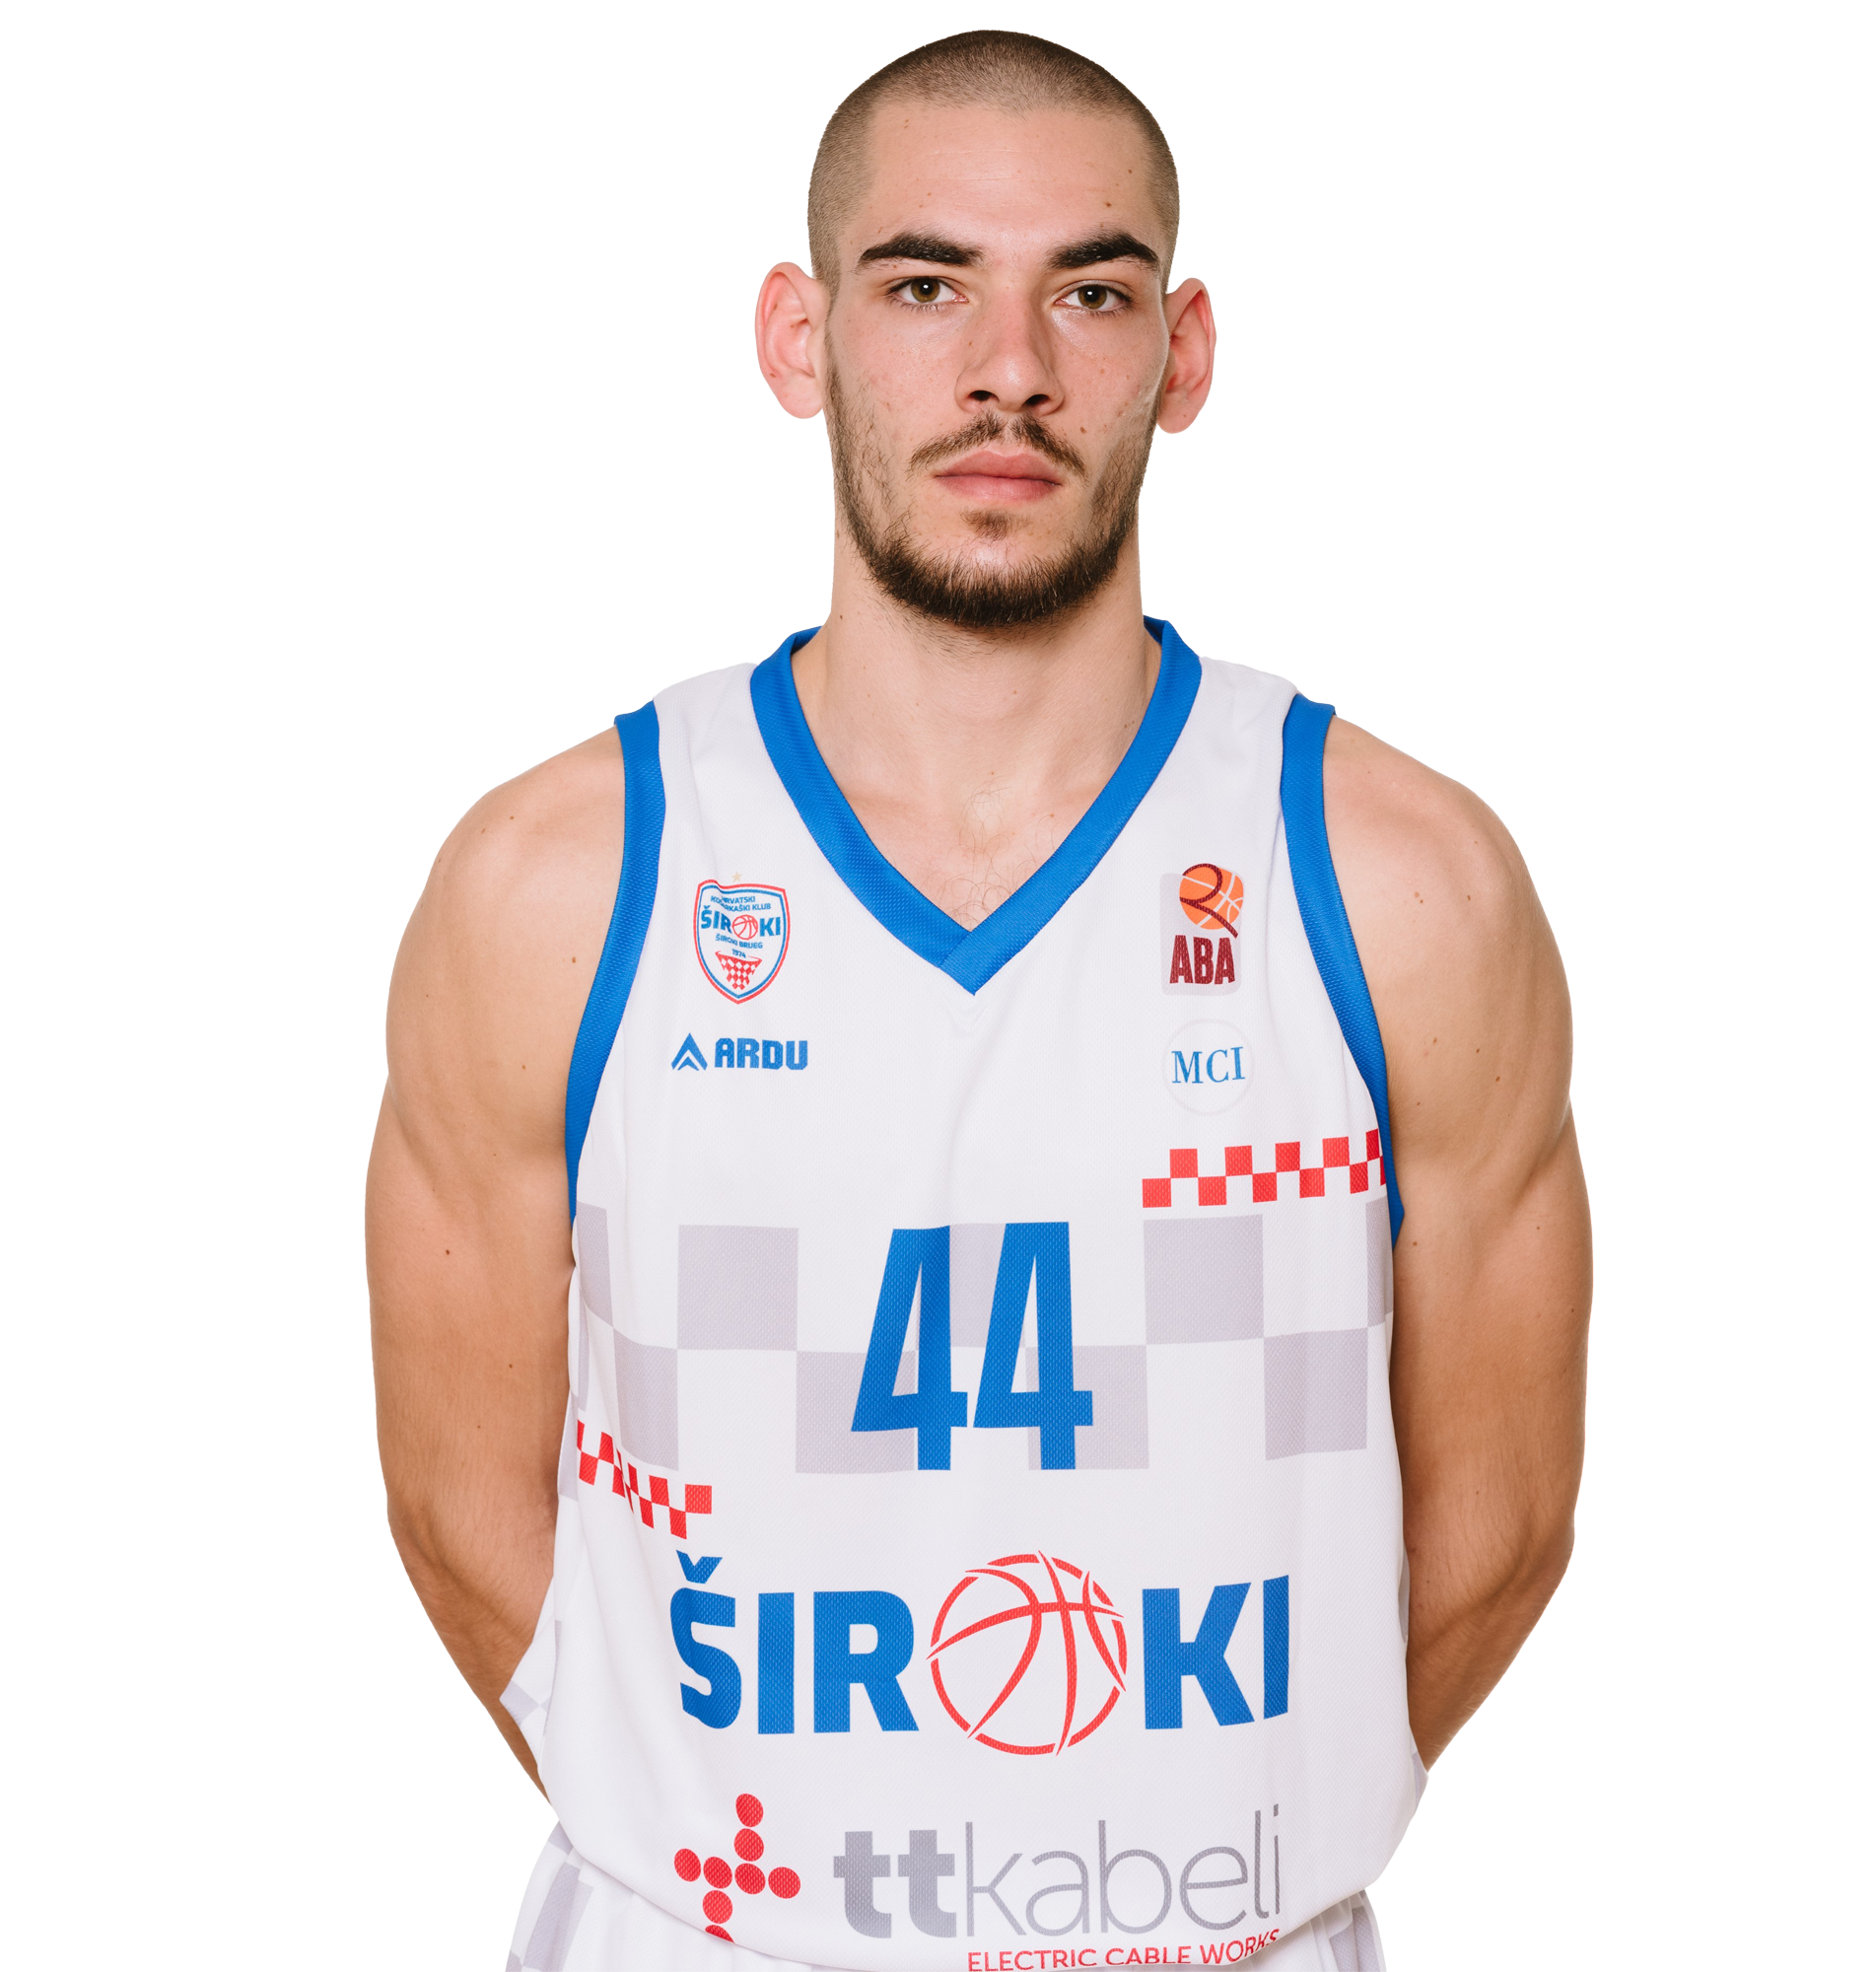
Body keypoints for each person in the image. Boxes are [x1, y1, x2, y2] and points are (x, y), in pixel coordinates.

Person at [368, 31, 1590, 1972]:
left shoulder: (1400, 882)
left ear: (1182, 354)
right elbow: (459, 1511)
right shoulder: (560, 883)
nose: (1007, 368)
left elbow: (1500, 1527)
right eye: (925, 285)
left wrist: (1183, 1855)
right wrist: (786, 1871)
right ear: (801, 340)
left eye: (1088, 294)